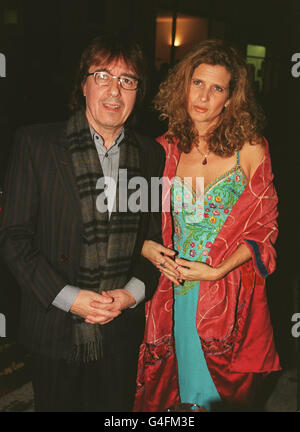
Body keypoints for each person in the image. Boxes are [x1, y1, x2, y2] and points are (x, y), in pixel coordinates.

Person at [0, 33, 165, 412]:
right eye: (102, 75)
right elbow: (14, 238)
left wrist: (130, 295)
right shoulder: (36, 144)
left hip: (119, 329)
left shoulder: (150, 155)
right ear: (83, 84)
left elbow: (152, 240)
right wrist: (71, 299)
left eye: (127, 80)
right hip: (55, 327)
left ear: (138, 92)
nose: (114, 90)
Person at [134, 39, 280, 412]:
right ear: (184, 86)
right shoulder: (161, 148)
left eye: (217, 88)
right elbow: (134, 223)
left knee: (220, 398)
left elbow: (265, 230)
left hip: (226, 295)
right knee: (173, 396)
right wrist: (148, 248)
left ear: (231, 98)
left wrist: (217, 271)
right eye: (197, 83)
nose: (204, 96)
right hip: (172, 292)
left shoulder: (250, 149)